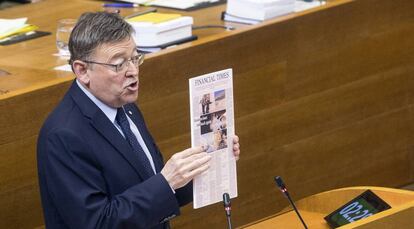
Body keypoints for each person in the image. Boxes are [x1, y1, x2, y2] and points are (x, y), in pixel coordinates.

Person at [37, 12, 240, 229]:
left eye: (135, 58)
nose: (133, 71)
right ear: (83, 70)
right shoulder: (62, 136)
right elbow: (96, 223)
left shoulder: (126, 108)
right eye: (118, 65)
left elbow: (152, 186)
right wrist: (166, 181)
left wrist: (208, 163)